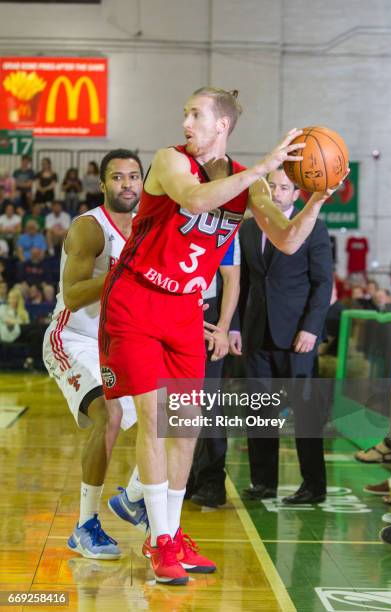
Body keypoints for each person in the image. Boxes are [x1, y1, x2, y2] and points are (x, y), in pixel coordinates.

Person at [99, 87, 346, 585]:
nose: (186, 121)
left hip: (185, 312)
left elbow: (288, 237)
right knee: (153, 418)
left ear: (222, 126)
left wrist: (316, 198)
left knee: (185, 425)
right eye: (185, 111)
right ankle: (160, 540)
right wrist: (261, 168)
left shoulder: (247, 184)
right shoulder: (171, 161)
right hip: (137, 302)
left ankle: (169, 531)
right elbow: (195, 198)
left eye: (196, 114)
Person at [43, 149, 148, 560]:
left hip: (120, 340)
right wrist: (125, 274)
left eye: (134, 177)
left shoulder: (146, 228)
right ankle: (85, 524)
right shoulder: (90, 228)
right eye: (118, 177)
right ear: (102, 185)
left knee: (176, 408)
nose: (127, 184)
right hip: (72, 338)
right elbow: (73, 294)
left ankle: (134, 497)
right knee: (110, 414)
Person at [230, 166, 333, 503]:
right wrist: (234, 326)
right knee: (258, 411)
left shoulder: (314, 229)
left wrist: (311, 329)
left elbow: (323, 284)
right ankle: (263, 483)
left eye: (284, 187)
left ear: (296, 194)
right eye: (270, 185)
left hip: (297, 338)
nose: (276, 192)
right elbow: (242, 283)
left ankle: (313, 486)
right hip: (256, 335)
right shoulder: (247, 229)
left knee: (305, 413)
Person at [187, 235, 241, 508]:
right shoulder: (167, 213)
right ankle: (183, 478)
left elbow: (232, 278)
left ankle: (211, 480)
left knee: (207, 402)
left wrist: (224, 327)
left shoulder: (226, 222)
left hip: (209, 318)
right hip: (171, 315)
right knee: (172, 402)